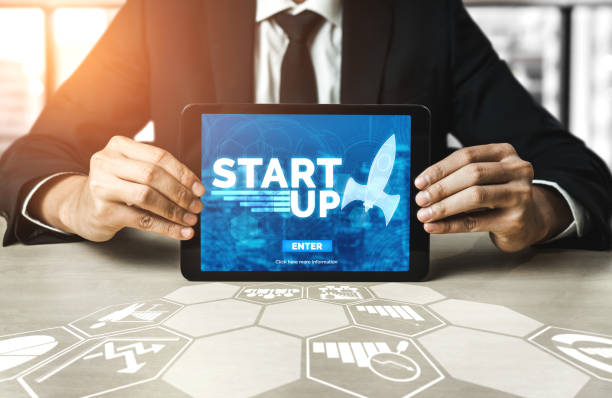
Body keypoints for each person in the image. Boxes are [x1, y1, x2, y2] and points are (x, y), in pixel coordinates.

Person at [0, 0, 610, 252]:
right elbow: (32, 158)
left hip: (388, 300)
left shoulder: (426, 16)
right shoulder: (166, 12)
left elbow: (579, 174)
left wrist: (539, 212)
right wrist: (77, 200)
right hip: (198, 295)